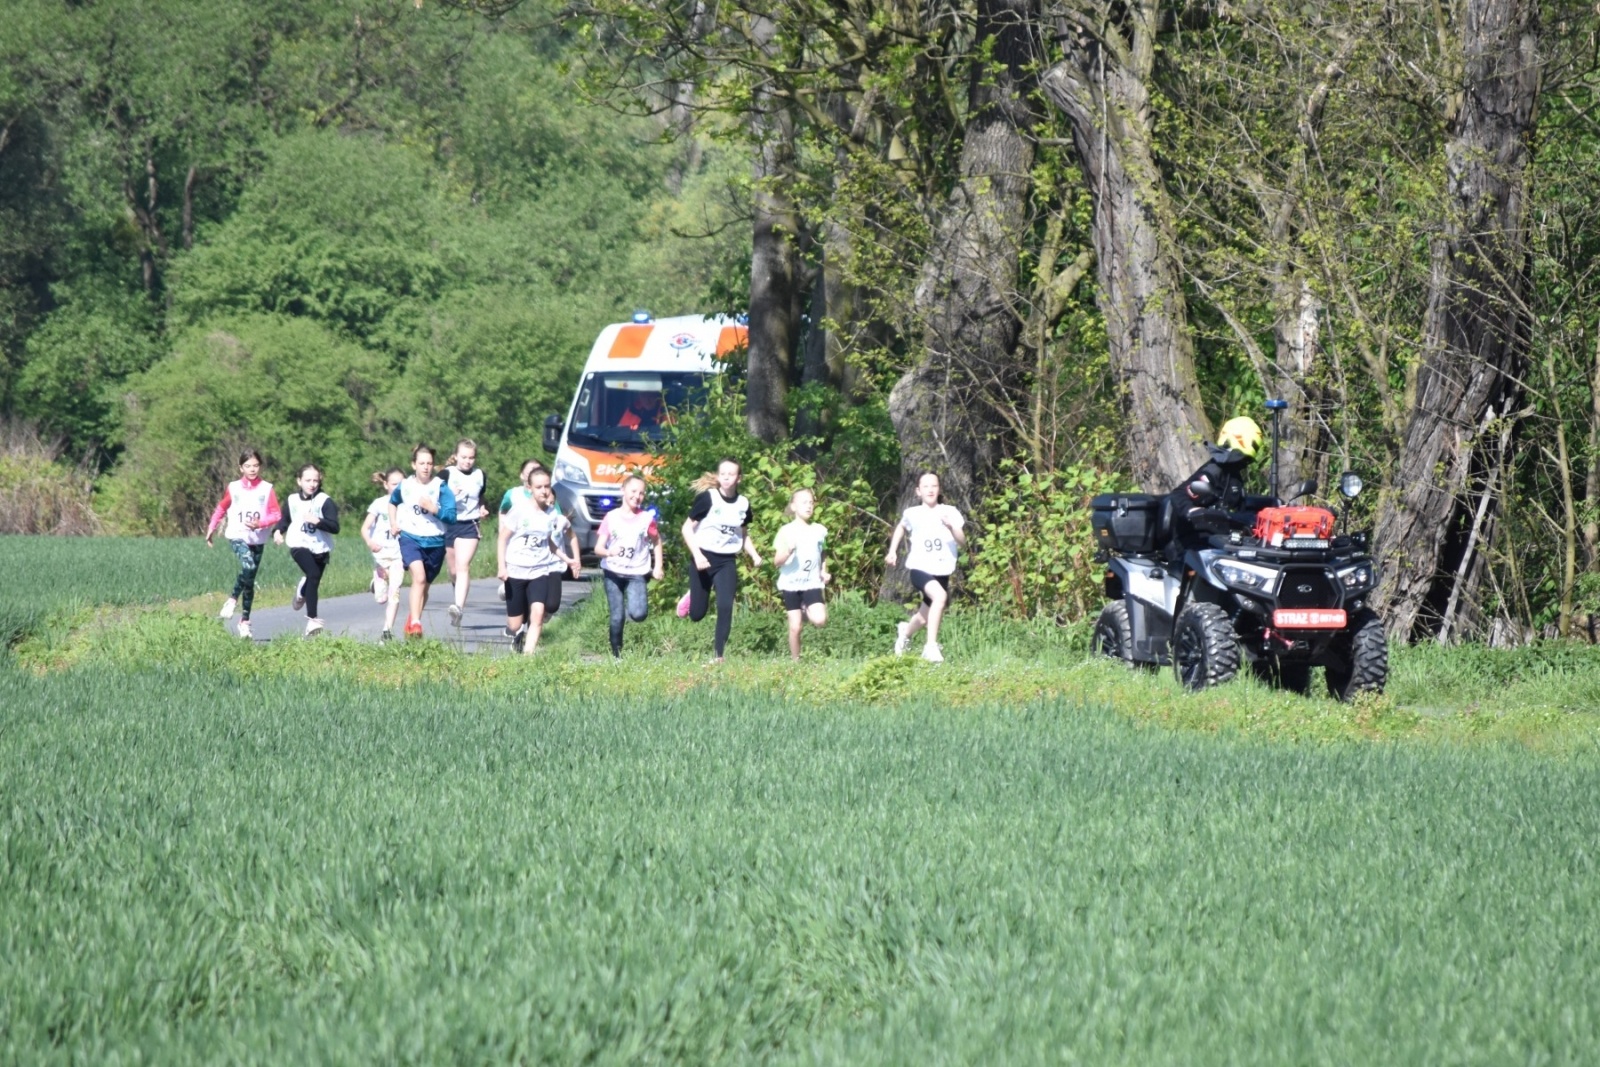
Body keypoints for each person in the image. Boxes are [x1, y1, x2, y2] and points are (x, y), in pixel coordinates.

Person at [679, 458, 762, 664]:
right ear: (718, 476)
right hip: (703, 558)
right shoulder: (708, 499)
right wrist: (697, 555)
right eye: (723, 474)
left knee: (725, 605)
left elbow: (743, 534)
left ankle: (719, 655)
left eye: (731, 474)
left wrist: (754, 554)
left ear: (739, 478)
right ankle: (692, 594)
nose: (726, 477)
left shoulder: (743, 504)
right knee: (697, 614)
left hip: (726, 561)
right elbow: (686, 528)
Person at [495, 464, 580, 654]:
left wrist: (567, 559)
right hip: (516, 569)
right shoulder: (519, 510)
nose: (544, 490)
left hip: (539, 570)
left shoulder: (551, 515)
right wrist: (502, 566)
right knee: (515, 623)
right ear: (530, 489)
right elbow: (502, 538)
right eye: (539, 487)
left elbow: (549, 542)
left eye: (547, 486)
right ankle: (517, 633)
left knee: (539, 614)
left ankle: (528, 656)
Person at [884, 472, 966, 663]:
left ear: (939, 489)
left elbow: (962, 542)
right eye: (926, 486)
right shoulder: (912, 513)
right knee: (940, 597)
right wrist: (893, 551)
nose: (930, 490)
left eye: (934, 486)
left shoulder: (950, 511)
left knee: (923, 617)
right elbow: (901, 527)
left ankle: (905, 632)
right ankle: (930, 647)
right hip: (919, 567)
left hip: (942, 569)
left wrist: (952, 528)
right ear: (918, 491)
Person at [205, 449, 280, 639]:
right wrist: (211, 528)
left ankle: (244, 621)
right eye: (248, 466)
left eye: (255, 465)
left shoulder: (267, 488)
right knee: (248, 564)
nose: (252, 469)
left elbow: (276, 514)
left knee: (250, 579)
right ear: (240, 468)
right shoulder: (233, 487)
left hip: (258, 538)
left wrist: (260, 524)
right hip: (237, 535)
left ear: (260, 466)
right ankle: (231, 599)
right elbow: (221, 508)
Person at [388, 444, 458, 638]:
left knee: (424, 586)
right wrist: (393, 523)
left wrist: (433, 508)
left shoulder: (440, 487)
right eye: (422, 463)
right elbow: (393, 503)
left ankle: (412, 619)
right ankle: (418, 623)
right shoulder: (406, 485)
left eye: (429, 463)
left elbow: (452, 517)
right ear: (414, 465)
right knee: (418, 578)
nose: (426, 467)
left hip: (435, 542)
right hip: (410, 538)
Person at [1167, 416, 1263, 553]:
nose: (1245, 462)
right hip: (1195, 541)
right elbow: (1179, 494)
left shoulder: (1234, 476)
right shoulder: (1213, 471)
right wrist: (1192, 511)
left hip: (1221, 540)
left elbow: (1236, 508)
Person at [593, 474, 663, 657]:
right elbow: (598, 548)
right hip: (613, 571)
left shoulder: (647, 519)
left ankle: (629, 609)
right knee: (617, 616)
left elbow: (657, 541)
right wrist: (609, 552)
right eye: (633, 491)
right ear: (623, 490)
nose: (637, 496)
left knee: (639, 614)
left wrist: (658, 566)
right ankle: (617, 655)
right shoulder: (611, 517)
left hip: (637, 572)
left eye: (641, 493)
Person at [274, 463, 340, 638]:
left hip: (320, 547)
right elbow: (284, 521)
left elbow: (335, 527)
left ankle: (302, 591)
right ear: (299, 481)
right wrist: (278, 532)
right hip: (299, 544)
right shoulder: (292, 500)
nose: (312, 484)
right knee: (313, 574)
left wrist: (318, 521)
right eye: (308, 480)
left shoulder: (324, 501)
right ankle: (312, 619)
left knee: (313, 580)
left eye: (315, 480)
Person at [772, 487, 828, 661]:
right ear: (794, 506)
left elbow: (822, 553)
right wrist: (788, 550)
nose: (809, 506)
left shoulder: (819, 530)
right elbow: (776, 562)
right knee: (795, 627)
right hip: (791, 583)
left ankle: (806, 607)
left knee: (820, 620)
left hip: (811, 582)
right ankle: (796, 662)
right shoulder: (786, 531)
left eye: (811, 502)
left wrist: (824, 571)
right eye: (804, 502)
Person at [441, 439, 490, 626]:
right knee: (453, 570)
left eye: (471, 458)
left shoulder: (480, 475)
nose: (467, 461)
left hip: (470, 524)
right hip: (449, 524)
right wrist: (448, 495)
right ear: (456, 456)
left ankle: (458, 608)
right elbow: (431, 497)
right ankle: (457, 590)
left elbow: (480, 496)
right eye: (463, 457)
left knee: (463, 566)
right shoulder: (446, 474)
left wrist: (483, 508)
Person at [363, 468, 406, 640]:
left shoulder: (408, 504)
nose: (398, 487)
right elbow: (365, 528)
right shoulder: (379, 504)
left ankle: (387, 631)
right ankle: (376, 583)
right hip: (381, 555)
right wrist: (370, 542)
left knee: (394, 592)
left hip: (399, 556)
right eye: (394, 484)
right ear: (386, 485)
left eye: (401, 484)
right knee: (381, 598)